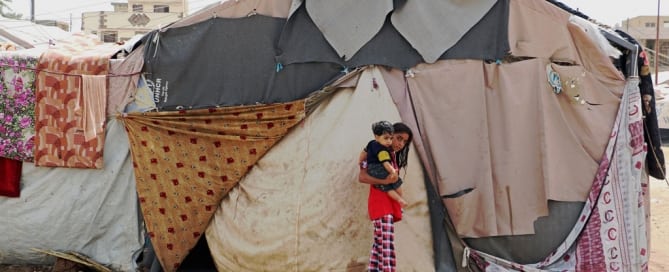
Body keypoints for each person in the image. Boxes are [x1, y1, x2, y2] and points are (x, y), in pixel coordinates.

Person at [358, 122, 413, 272]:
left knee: (379, 246)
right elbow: (362, 177)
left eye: (404, 142)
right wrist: (384, 181)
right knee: (386, 247)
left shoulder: (391, 157)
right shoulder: (372, 152)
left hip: (387, 205)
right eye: (398, 138)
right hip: (380, 204)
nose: (400, 144)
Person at [358, 121, 407, 207]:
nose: (389, 141)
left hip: (372, 170)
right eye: (386, 138)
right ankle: (400, 199)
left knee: (388, 188)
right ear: (377, 137)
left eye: (391, 138)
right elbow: (385, 163)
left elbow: (364, 152)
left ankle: (399, 199)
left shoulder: (371, 143)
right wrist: (392, 171)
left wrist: (360, 160)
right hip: (379, 170)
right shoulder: (383, 150)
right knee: (396, 182)